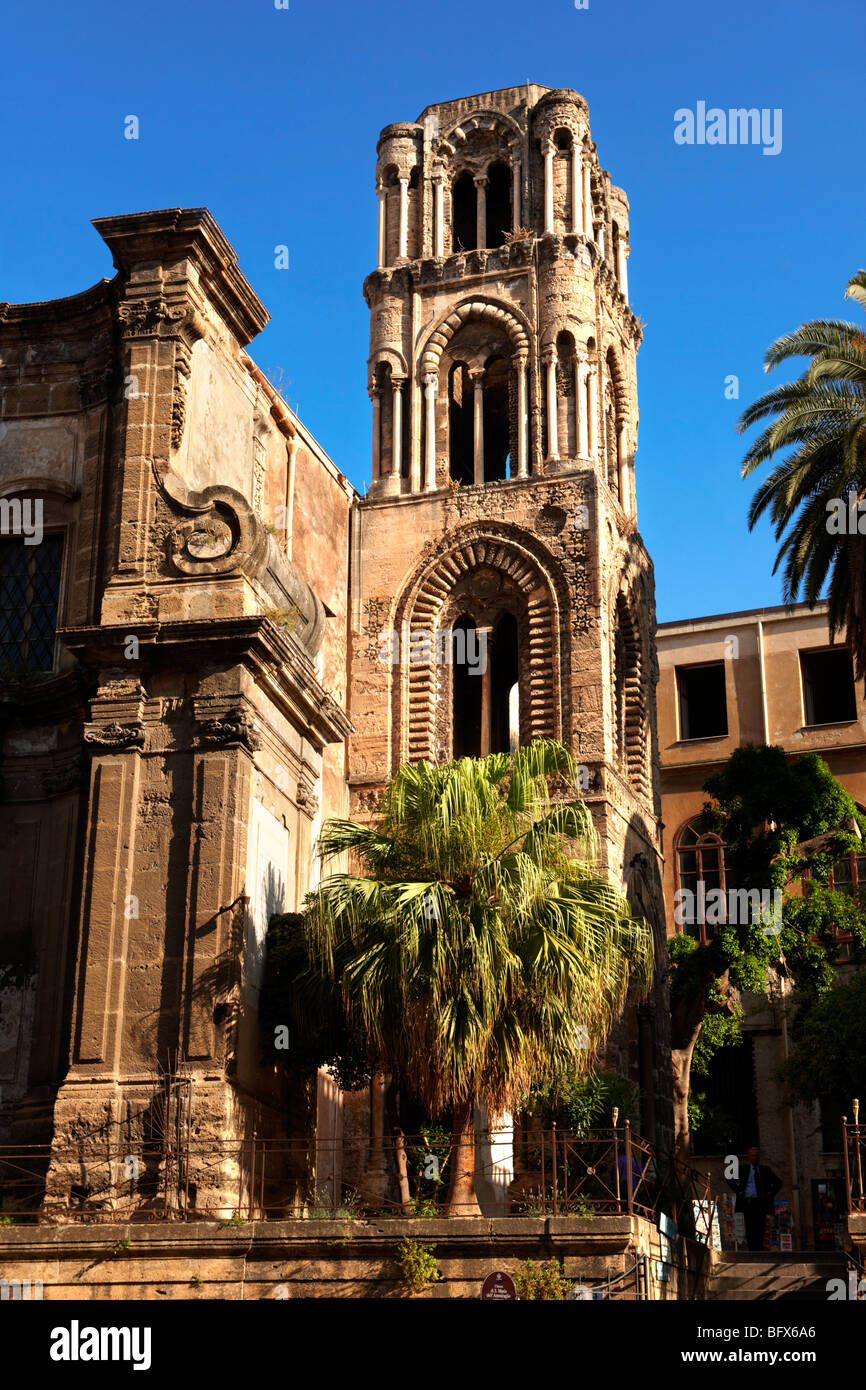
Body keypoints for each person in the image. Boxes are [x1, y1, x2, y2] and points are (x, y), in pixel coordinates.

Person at [726, 1146, 783, 1251]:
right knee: (750, 1226)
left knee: (760, 1226)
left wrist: (770, 1193)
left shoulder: (765, 1170)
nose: (755, 1158)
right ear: (749, 1157)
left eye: (757, 1156)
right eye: (753, 1156)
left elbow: (778, 1183)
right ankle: (752, 1249)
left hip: (761, 1202)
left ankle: (759, 1249)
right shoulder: (743, 1170)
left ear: (759, 1157)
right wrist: (739, 1191)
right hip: (748, 1202)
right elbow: (729, 1178)